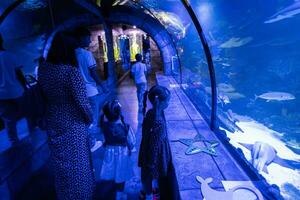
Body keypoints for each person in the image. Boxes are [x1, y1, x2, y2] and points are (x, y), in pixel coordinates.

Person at [38, 32, 95, 199]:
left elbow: (42, 95)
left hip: (53, 119)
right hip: (73, 123)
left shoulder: (44, 69)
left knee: (61, 163)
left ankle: (64, 195)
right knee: (78, 163)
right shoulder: (71, 72)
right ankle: (81, 194)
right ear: (69, 51)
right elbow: (82, 102)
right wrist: (90, 118)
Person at [138, 85, 181, 200]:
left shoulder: (150, 113)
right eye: (167, 101)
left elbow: (146, 136)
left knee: (147, 177)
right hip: (155, 157)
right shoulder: (159, 123)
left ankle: (146, 194)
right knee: (153, 178)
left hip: (145, 149)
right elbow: (154, 146)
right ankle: (151, 196)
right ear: (160, 102)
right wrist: (151, 164)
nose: (168, 103)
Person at [73, 27, 107, 150]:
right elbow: (93, 73)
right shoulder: (86, 54)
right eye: (88, 37)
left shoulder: (71, 55)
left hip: (77, 91)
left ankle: (84, 141)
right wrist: (103, 85)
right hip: (90, 91)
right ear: (80, 38)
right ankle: (91, 143)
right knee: (92, 117)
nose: (90, 40)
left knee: (82, 118)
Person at [99, 100, 135, 200]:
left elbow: (104, 139)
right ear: (119, 113)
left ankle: (113, 190)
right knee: (121, 173)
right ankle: (119, 194)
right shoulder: (126, 127)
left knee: (111, 172)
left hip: (109, 154)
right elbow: (132, 142)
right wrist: (130, 148)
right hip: (122, 154)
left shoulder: (105, 126)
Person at [0, 33, 24, 145]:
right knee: (28, 113)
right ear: (2, 40)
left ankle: (15, 143)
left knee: (9, 121)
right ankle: (33, 136)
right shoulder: (11, 55)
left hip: (2, 96)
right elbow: (19, 74)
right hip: (17, 92)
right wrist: (26, 87)